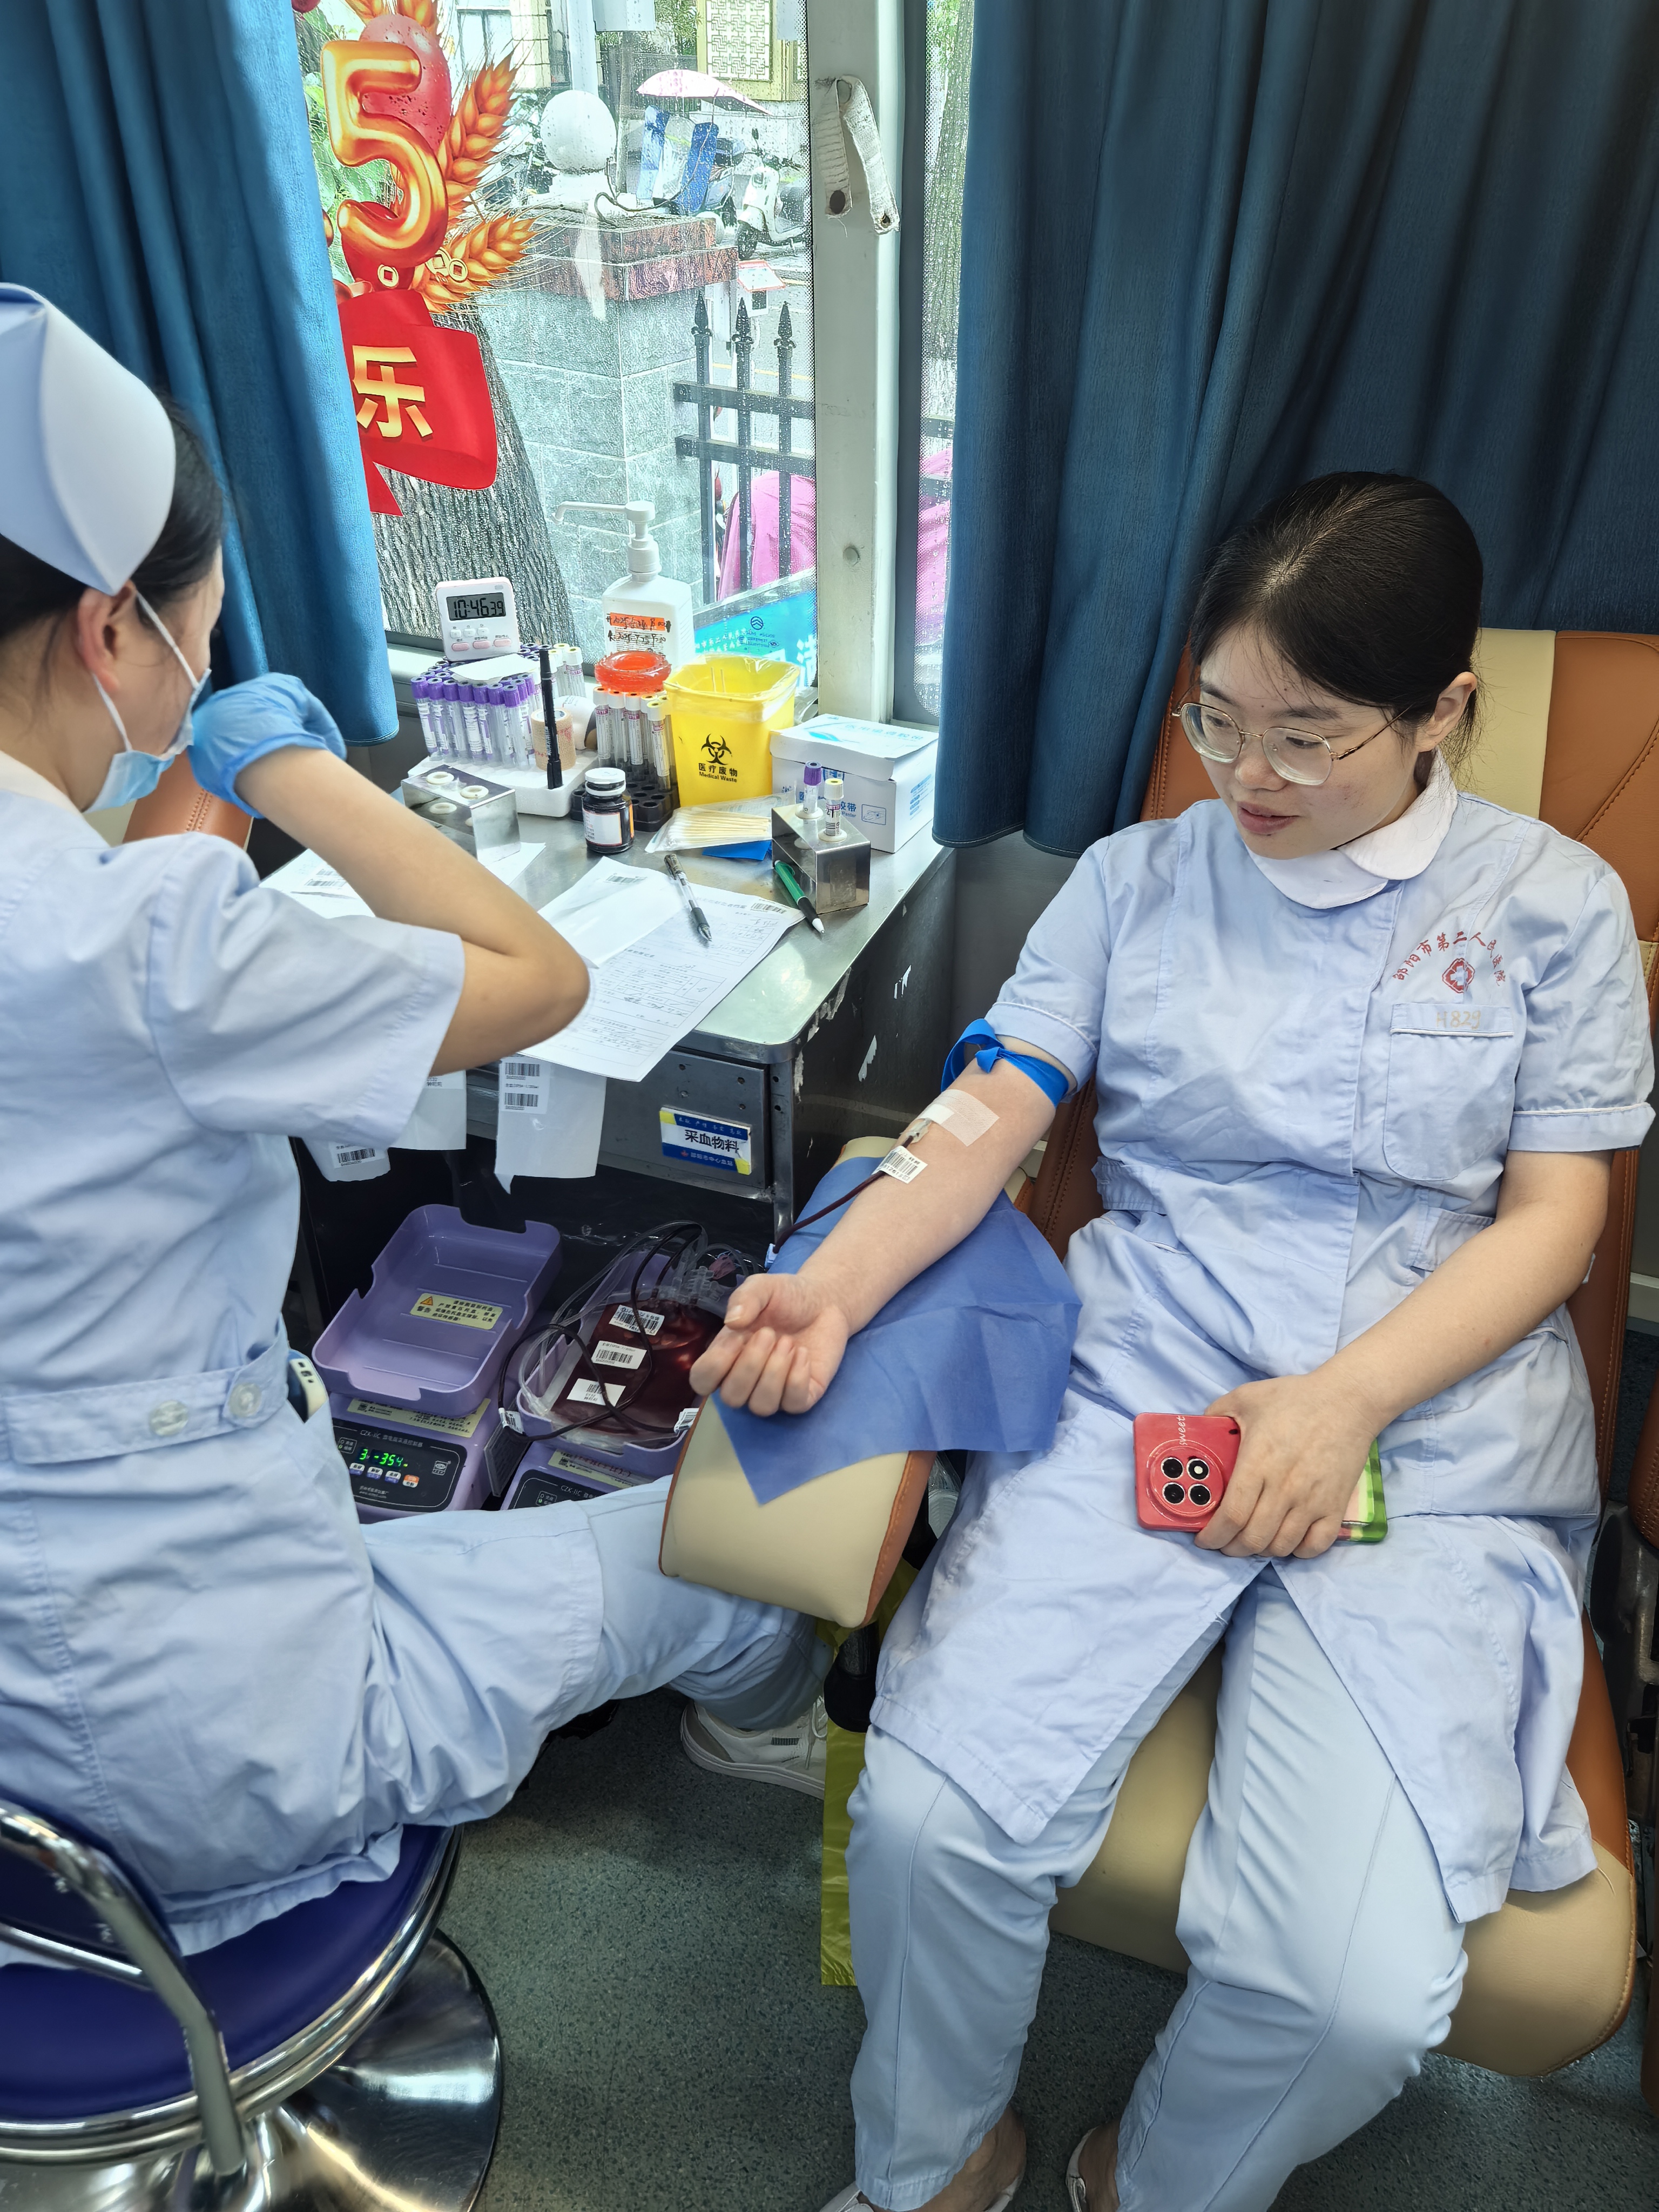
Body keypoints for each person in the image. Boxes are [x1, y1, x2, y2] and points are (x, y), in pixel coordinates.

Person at [692, 474, 1654, 2212]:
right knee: (928, 1823)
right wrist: (836, 1279)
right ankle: (937, 2163)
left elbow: (1556, 1223)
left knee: (1348, 1995)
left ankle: (1157, 2180)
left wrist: (1348, 1403)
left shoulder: (1555, 907)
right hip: (1154, 1378)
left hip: (1427, 1435)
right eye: (1215, 718)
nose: (1247, 777)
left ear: (1442, 712)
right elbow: (987, 1114)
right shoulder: (1136, 885)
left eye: (1308, 734)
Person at [0, 287, 826, 1958]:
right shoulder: (139, 948)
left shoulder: (107, 923)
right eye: (198, 631)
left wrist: (197, 784)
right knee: (735, 1568)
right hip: (204, 1736)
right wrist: (291, 774)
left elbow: (132, 947)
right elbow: (536, 980)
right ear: (111, 631)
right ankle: (767, 1738)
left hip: (56, 1661)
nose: (205, 656)